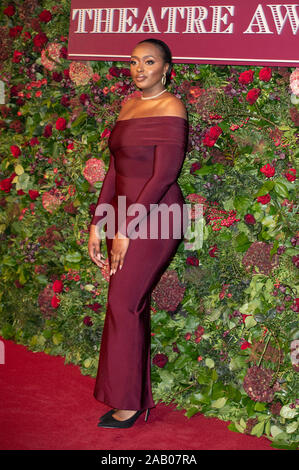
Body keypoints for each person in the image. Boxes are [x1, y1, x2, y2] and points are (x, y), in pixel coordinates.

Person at [88, 38, 189, 429]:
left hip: (159, 215)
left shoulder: (172, 106)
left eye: (149, 62)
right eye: (133, 62)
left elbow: (164, 175)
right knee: (127, 304)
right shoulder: (128, 106)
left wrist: (126, 229)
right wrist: (99, 222)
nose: (139, 68)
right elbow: (115, 171)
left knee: (123, 302)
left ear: (166, 68)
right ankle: (133, 398)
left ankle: (130, 404)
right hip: (125, 214)